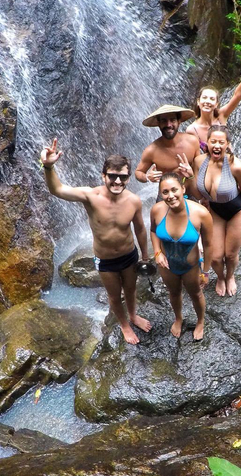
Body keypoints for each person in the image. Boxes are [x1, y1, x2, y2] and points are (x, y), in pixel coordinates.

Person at [40, 142, 151, 344]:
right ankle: (124, 325)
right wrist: (48, 167)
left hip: (129, 254)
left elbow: (140, 229)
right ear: (103, 176)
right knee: (115, 296)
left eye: (123, 177)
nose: (117, 181)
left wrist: (145, 255)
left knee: (131, 288)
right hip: (106, 260)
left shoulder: (134, 201)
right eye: (112, 176)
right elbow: (58, 190)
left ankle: (134, 315)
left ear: (128, 177)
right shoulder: (90, 196)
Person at [192, 124, 241, 297]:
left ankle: (230, 276)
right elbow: (195, 192)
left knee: (230, 255)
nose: (217, 145)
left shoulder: (236, 167)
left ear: (227, 144)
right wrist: (188, 176)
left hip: (238, 210)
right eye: (213, 141)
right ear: (207, 142)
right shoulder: (198, 162)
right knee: (215, 257)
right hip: (215, 210)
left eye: (221, 142)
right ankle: (220, 277)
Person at [150, 172, 213, 341]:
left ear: (183, 188)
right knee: (174, 292)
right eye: (165, 192)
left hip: (190, 266)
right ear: (160, 194)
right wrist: (157, 252)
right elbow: (153, 232)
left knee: (196, 294)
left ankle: (200, 321)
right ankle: (178, 318)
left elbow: (208, 245)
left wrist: (206, 272)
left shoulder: (201, 213)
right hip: (167, 264)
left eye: (174, 190)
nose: (170, 196)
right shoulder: (156, 210)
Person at [186, 51, 241, 151]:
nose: (208, 101)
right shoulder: (192, 130)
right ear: (198, 102)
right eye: (204, 98)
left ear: (216, 104)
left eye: (212, 99)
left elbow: (237, 95)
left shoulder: (221, 116)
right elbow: (195, 156)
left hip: (230, 162)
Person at [135, 105, 202, 186]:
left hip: (190, 189)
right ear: (158, 124)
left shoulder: (192, 141)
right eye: (164, 121)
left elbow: (200, 169)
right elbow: (138, 172)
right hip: (166, 192)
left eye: (172, 120)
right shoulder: (151, 150)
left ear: (179, 121)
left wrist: (192, 175)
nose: (168, 125)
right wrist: (147, 177)